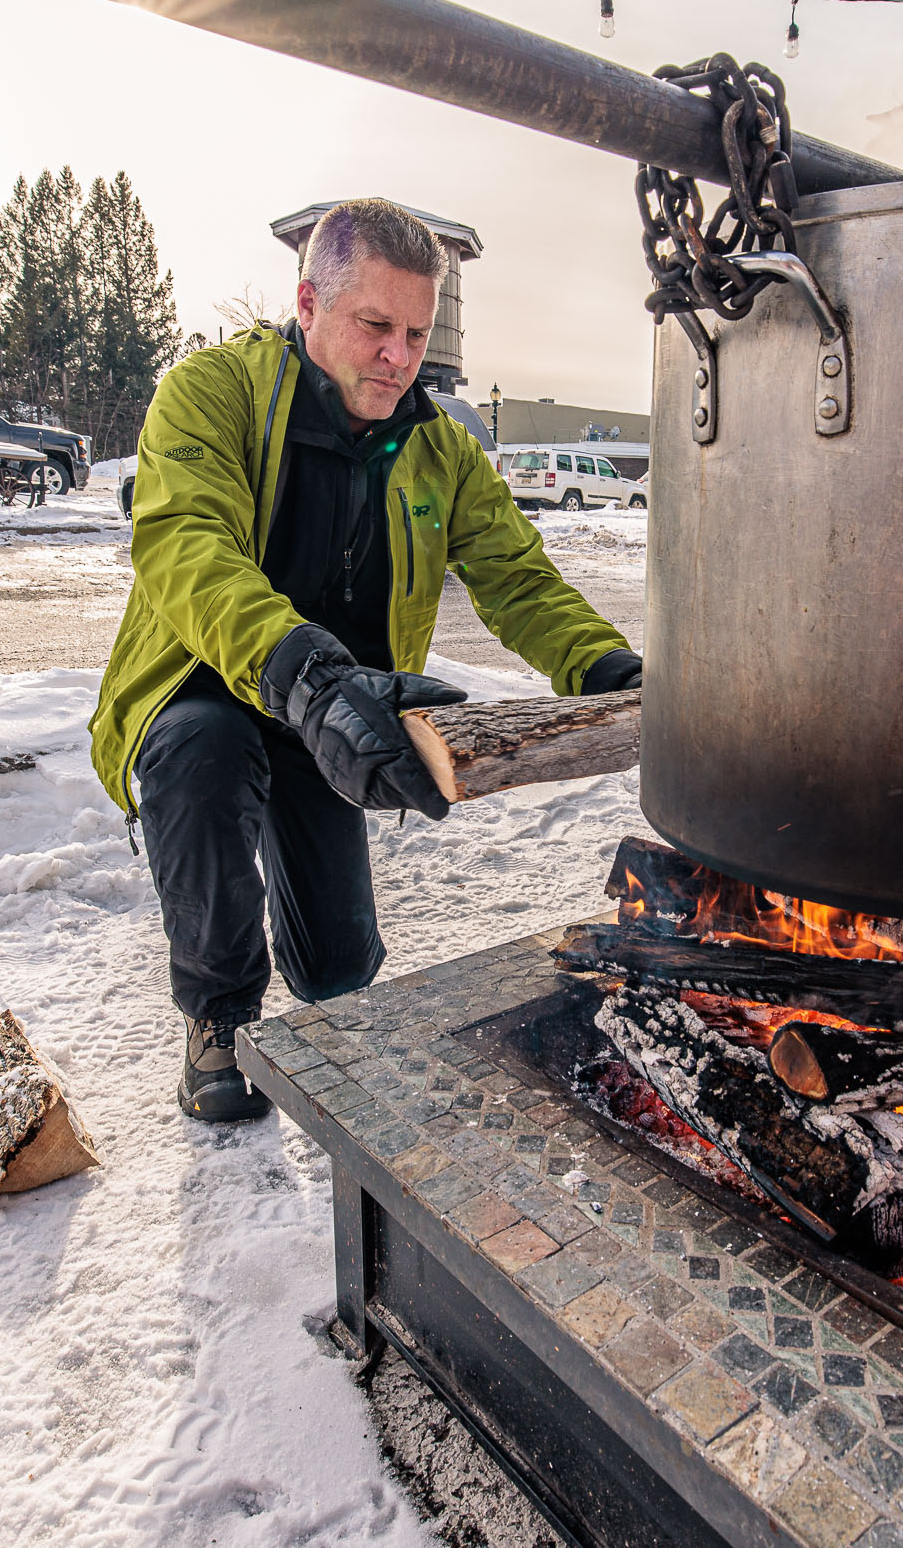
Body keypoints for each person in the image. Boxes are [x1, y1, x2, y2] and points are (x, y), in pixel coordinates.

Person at [88, 199, 643, 1121]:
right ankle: (219, 1018)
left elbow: (518, 580)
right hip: (215, 687)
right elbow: (186, 545)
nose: (399, 355)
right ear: (308, 303)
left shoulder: (439, 449)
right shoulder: (210, 393)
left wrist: (612, 674)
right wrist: (307, 675)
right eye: (375, 325)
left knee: (340, 975)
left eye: (418, 333)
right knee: (202, 758)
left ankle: (322, 984)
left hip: (338, 712)